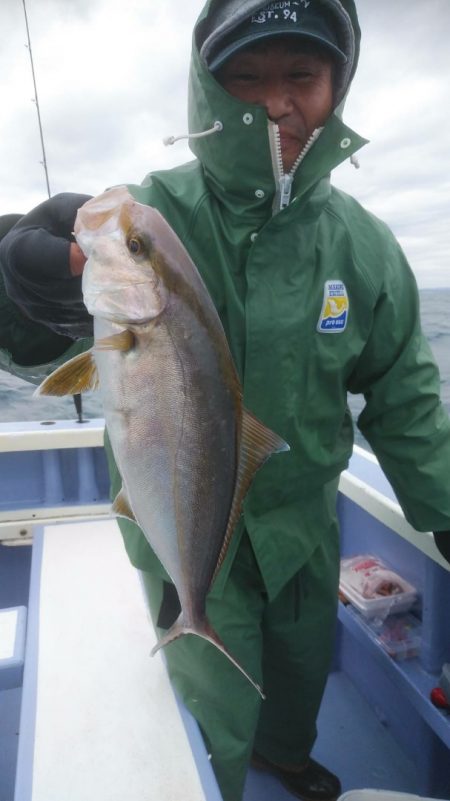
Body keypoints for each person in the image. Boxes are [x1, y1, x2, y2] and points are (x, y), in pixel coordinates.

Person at [1, 2, 450, 800]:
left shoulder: (366, 246)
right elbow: (47, 335)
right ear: (208, 90)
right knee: (213, 700)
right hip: (181, 514)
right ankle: (222, 777)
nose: (276, 103)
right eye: (245, 77)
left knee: (301, 670)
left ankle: (286, 754)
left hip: (304, 525)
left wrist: (444, 509)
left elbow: (405, 399)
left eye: (301, 75)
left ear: (338, 85)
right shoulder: (150, 216)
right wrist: (18, 290)